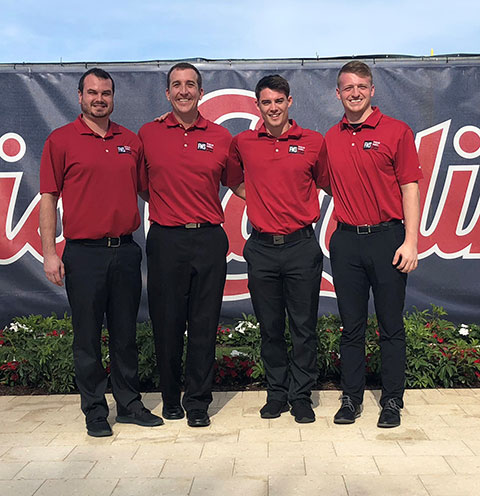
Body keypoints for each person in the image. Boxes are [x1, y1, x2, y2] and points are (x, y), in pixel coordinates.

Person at [39, 68, 163, 437]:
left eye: (106, 93)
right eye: (92, 92)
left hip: (125, 251)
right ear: (79, 96)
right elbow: (48, 197)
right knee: (87, 336)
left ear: (113, 97)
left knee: (125, 333)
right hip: (84, 254)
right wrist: (50, 251)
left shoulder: (131, 140)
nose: (99, 99)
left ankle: (128, 404)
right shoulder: (61, 140)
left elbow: (149, 189)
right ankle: (95, 409)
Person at [325, 61, 422, 428]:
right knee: (351, 327)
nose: (354, 93)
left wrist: (411, 241)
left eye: (361, 86)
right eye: (347, 87)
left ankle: (392, 401)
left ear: (372, 90)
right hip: (346, 241)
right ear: (337, 93)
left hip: (388, 239)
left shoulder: (396, 131)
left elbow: (409, 187)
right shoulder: (330, 138)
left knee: (390, 325)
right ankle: (351, 398)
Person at [226, 75, 329, 424]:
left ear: (290, 102)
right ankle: (277, 393)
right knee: (270, 326)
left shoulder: (313, 142)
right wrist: (257, 198)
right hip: (262, 247)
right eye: (266, 102)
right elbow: (231, 179)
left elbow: (327, 180)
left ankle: (301, 396)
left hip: (301, 245)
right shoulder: (243, 142)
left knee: (303, 326)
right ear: (258, 106)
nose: (273, 107)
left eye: (278, 101)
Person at [138, 62, 231, 428]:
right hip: (166, 238)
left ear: (200, 91)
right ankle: (170, 398)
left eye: (190, 84)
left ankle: (198, 402)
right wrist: (168, 206)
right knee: (167, 323)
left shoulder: (221, 136)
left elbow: (237, 183)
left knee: (204, 325)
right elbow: (142, 185)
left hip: (209, 238)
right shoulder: (148, 133)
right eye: (176, 84)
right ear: (167, 93)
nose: (183, 90)